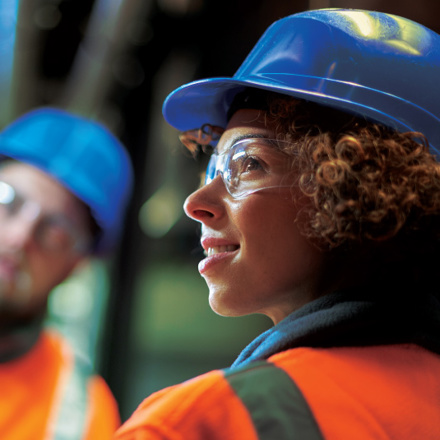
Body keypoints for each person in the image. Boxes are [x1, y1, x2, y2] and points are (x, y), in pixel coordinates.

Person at [115, 8, 440, 439]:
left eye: (248, 163)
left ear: (358, 185)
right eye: (212, 169)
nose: (196, 203)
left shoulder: (204, 421)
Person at [0, 107, 133, 439]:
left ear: (78, 265)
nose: (19, 237)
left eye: (56, 232)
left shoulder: (81, 415)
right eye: (7, 200)